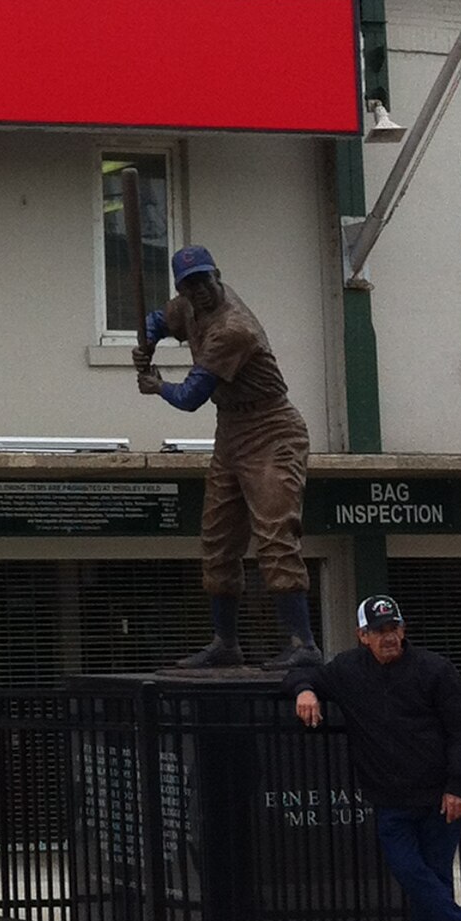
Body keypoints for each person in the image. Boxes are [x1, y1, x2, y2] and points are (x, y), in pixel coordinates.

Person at [296, 595, 461, 921]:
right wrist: (305, 690)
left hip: (439, 797)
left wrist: (457, 786)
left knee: (434, 877)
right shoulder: (347, 670)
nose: (388, 637)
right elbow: (301, 677)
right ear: (362, 636)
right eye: (378, 631)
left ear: (403, 630)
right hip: (390, 799)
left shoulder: (435, 669)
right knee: (411, 872)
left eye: (393, 629)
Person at [134, 244, 317, 670]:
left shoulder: (233, 329)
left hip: (272, 429)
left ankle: (302, 642)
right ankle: (225, 643)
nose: (199, 291)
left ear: (218, 274)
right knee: (217, 539)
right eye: (189, 284)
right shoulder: (187, 306)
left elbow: (190, 398)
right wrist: (147, 341)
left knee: (274, 535)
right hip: (230, 431)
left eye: (205, 280)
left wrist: (156, 384)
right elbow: (158, 320)